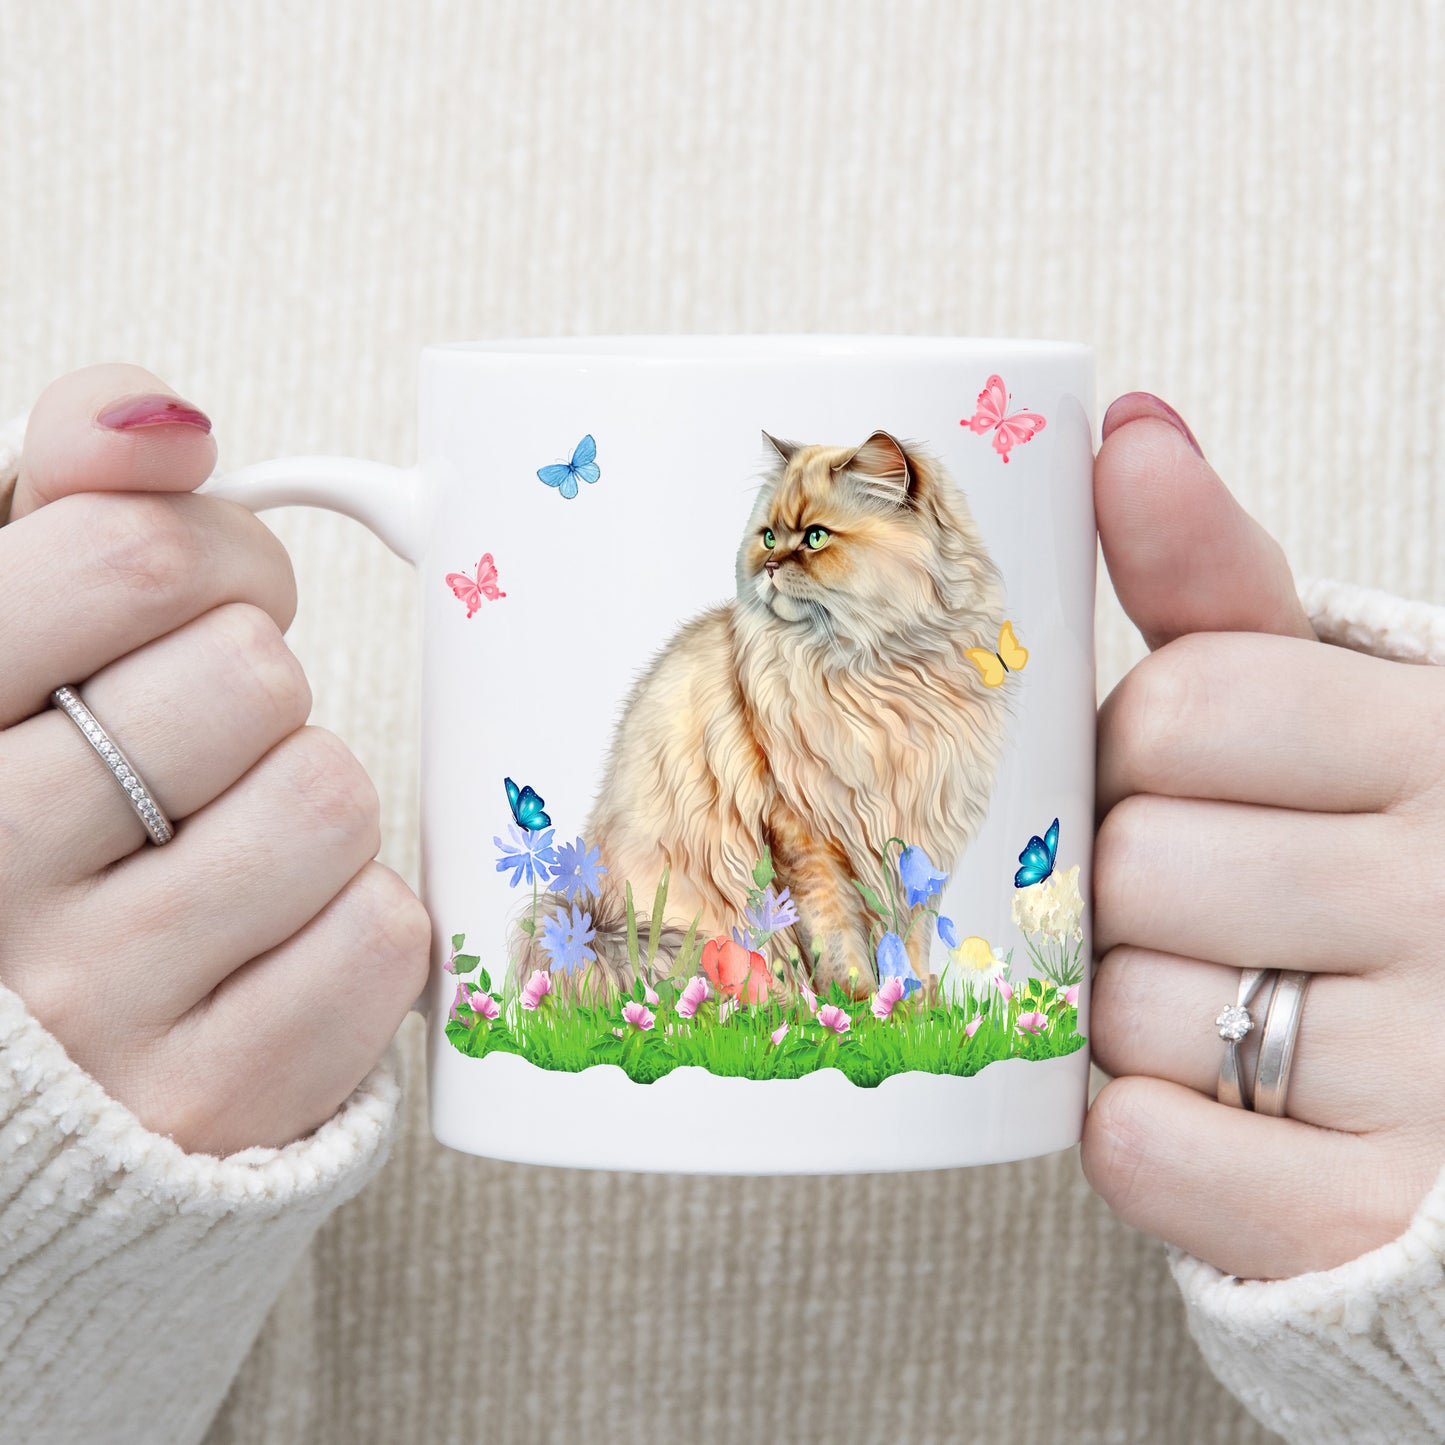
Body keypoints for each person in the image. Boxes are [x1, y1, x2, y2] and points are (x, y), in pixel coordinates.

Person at [1, 366, 1442, 1445]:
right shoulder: (773, 670)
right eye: (770, 532)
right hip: (676, 932)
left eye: (810, 538)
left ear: (909, 515)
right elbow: (808, 843)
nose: (769, 558)